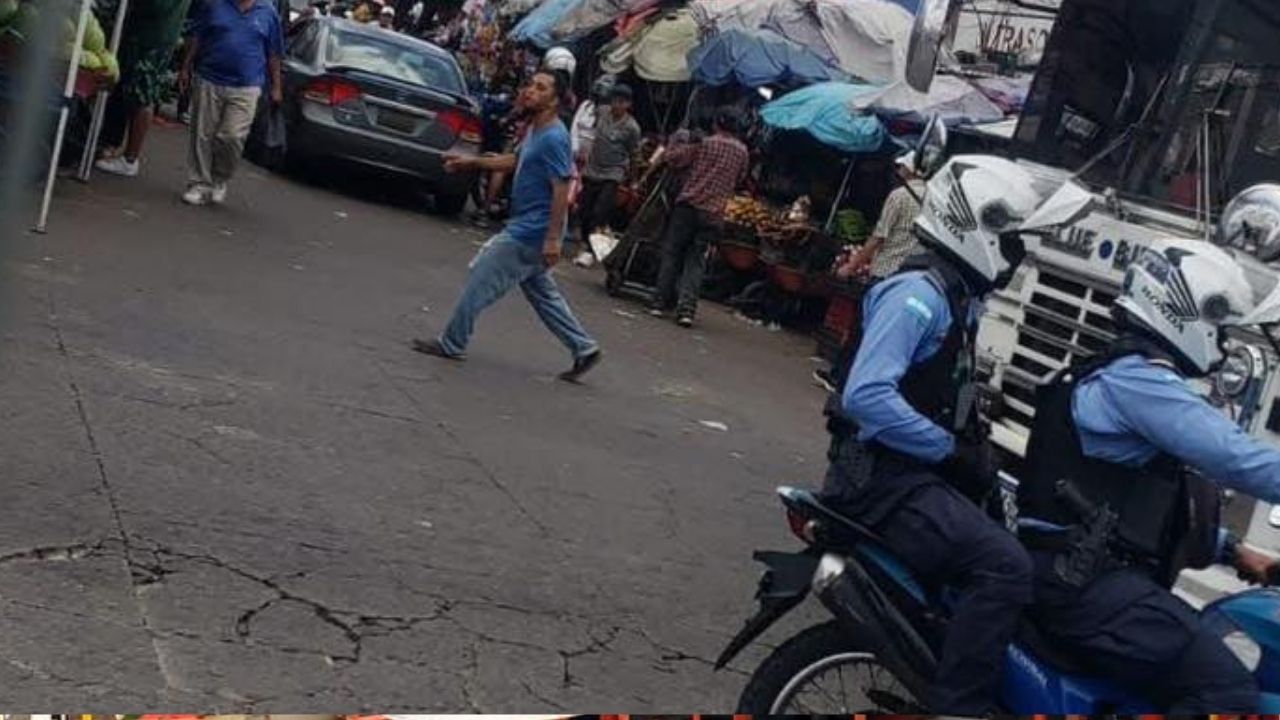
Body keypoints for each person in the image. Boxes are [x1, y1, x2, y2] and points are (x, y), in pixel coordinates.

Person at [821, 154, 1045, 713]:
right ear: (971, 227)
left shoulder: (956, 298)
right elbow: (867, 397)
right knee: (1006, 566)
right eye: (1008, 238)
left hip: (908, 479)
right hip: (881, 483)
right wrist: (948, 450)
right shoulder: (916, 295)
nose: (1014, 255)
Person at [1017, 237, 1280, 712]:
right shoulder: (1139, 382)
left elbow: (1136, 503)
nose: (1222, 343)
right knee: (1229, 692)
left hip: (1082, 572)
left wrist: (1233, 549)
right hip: (1084, 586)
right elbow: (1236, 457)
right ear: (1182, 311)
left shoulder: (1128, 373)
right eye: (1218, 326)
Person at [411, 70, 603, 382]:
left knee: (482, 274)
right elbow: (515, 161)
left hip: (531, 230)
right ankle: (584, 348)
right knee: (541, 291)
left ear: (555, 101)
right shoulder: (536, 130)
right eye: (530, 85)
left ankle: (452, 342)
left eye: (540, 89)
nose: (530, 91)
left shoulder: (555, 136)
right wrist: (470, 162)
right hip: (530, 224)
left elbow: (561, 188)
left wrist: (553, 239)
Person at [815, 153, 927, 391]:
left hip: (884, 273)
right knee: (886, 335)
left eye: (902, 166)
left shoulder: (899, 196)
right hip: (909, 278)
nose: (899, 170)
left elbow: (879, 236)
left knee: (861, 329)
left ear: (910, 169)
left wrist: (851, 265)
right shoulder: (933, 201)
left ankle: (840, 378)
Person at [646, 110, 749, 327]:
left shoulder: (704, 143)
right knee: (697, 260)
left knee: (672, 253)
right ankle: (686, 310)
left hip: (689, 207)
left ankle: (659, 301)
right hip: (713, 214)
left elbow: (674, 159)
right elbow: (740, 178)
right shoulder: (742, 152)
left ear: (717, 123)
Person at [178, 0, 284, 206]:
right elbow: (197, 37)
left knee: (232, 136)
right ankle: (198, 183)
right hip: (209, 77)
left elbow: (274, 53)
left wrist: (277, 87)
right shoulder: (213, 4)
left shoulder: (268, 12)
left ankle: (219, 178)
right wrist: (186, 66)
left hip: (247, 84)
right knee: (202, 133)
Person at [95, 0, 195, 178]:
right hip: (152, 37)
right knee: (132, 92)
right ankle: (114, 147)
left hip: (151, 40)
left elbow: (157, 7)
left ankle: (130, 159)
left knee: (142, 96)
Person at [574, 83, 640, 268]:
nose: (616, 105)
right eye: (614, 100)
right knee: (584, 211)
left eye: (621, 102)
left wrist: (634, 180)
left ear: (628, 104)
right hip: (593, 168)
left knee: (600, 212)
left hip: (613, 173)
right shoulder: (602, 112)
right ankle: (593, 243)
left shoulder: (631, 128)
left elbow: (634, 154)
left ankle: (589, 250)